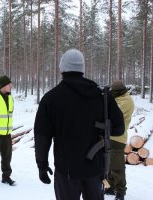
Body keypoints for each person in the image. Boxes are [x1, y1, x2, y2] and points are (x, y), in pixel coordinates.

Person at [34, 49, 125, 200]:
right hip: (96, 169)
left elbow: (42, 136)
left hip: (66, 170)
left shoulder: (51, 98)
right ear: (82, 69)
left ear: (62, 69)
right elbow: (119, 128)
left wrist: (42, 165)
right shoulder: (102, 95)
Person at [104, 80, 134, 200]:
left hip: (118, 138)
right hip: (111, 136)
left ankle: (121, 191)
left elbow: (115, 115)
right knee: (109, 164)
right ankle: (110, 187)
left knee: (117, 166)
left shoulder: (126, 101)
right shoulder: (119, 98)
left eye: (113, 92)